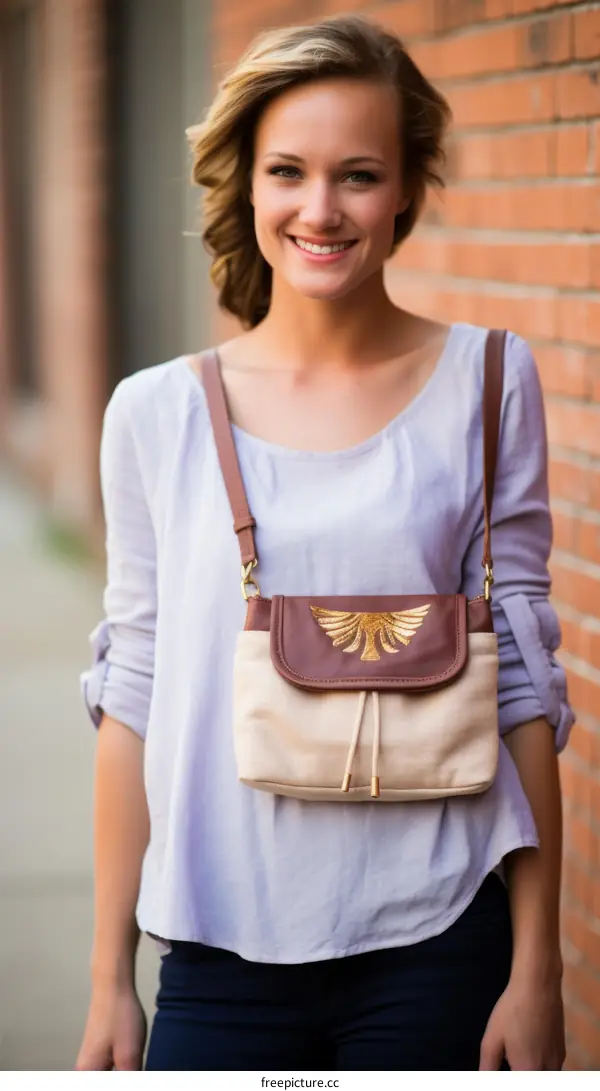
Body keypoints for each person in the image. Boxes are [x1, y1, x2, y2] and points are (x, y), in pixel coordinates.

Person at [75, 15, 573, 1072]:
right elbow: (135, 696)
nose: (320, 208)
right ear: (246, 185)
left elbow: (524, 685)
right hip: (215, 950)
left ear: (405, 189)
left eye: (358, 174)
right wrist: (107, 977)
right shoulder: (154, 413)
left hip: (443, 941)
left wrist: (537, 971)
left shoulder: (488, 382)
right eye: (288, 171)